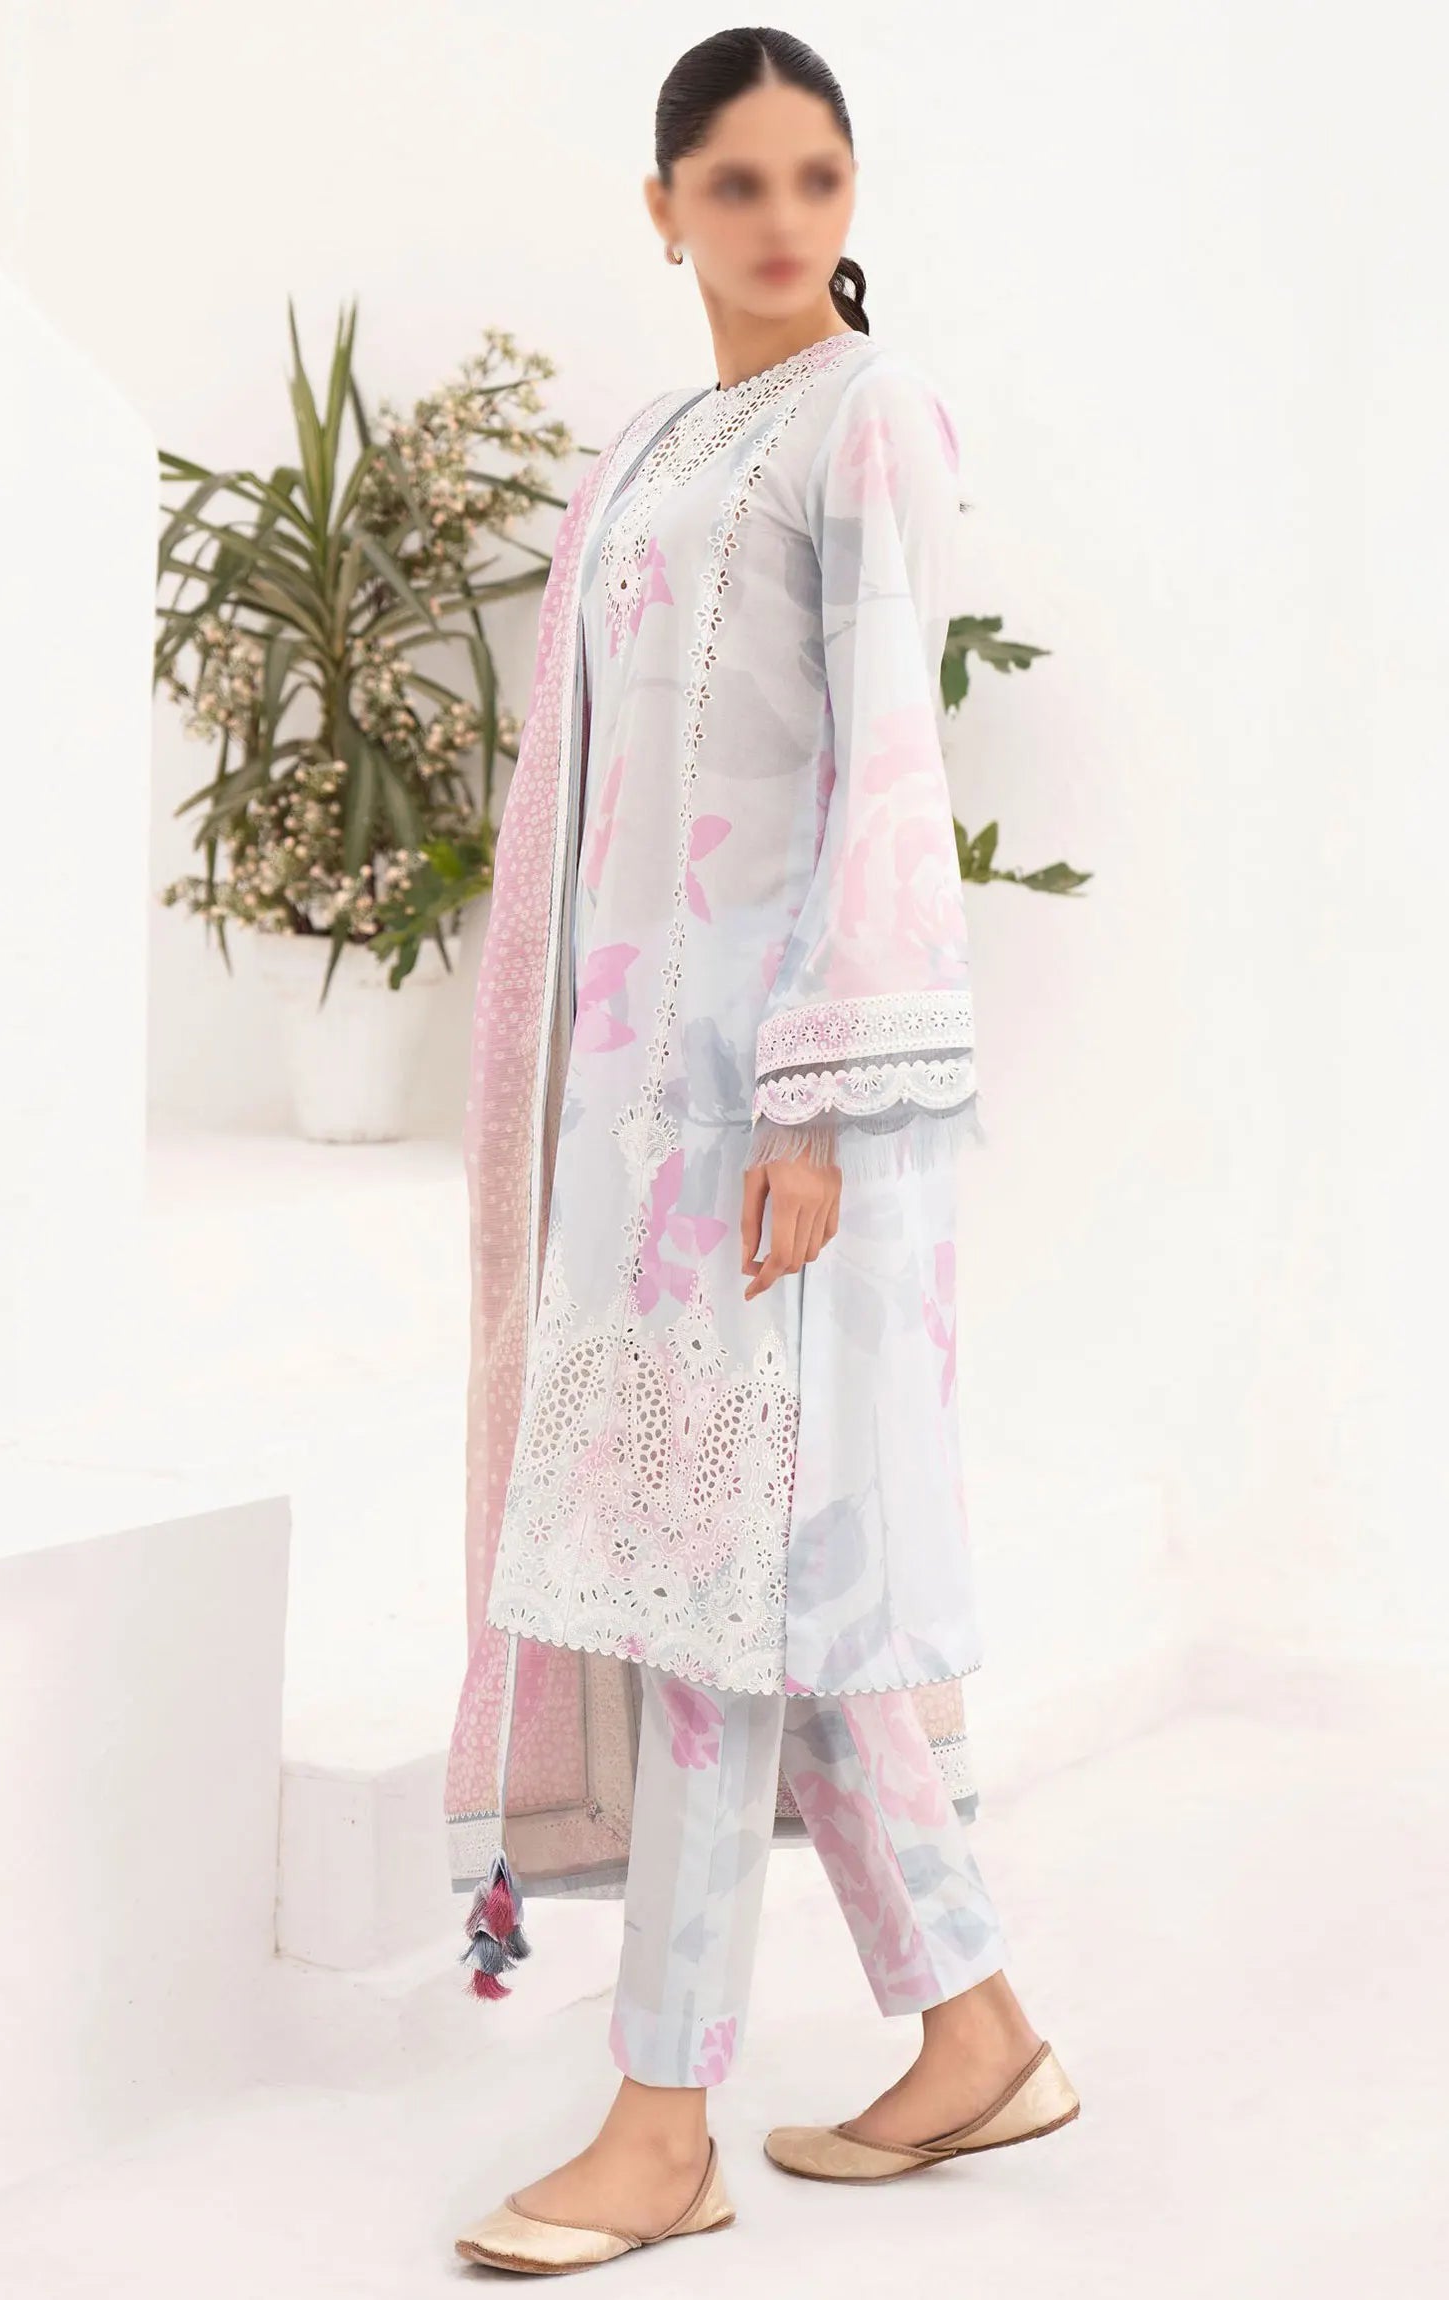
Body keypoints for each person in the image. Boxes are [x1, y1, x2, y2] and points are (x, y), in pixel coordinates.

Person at [449, 27, 1079, 2276]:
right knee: (746, 1597)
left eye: (818, 176)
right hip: (640, 1130)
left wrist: (809, 1105)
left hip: (788, 1123)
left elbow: (886, 772)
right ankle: (978, 2029)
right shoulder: (647, 449)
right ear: (665, 212)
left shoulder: (865, 416)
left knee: (722, 1612)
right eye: (737, 184)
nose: (785, 217)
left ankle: (659, 2120)